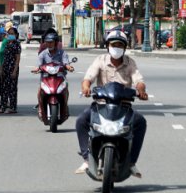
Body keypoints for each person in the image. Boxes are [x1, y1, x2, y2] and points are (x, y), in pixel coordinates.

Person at [75, 29, 147, 178]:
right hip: (101, 105)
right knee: (81, 120)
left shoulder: (130, 62)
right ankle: (87, 159)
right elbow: (89, 77)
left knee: (141, 122)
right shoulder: (100, 60)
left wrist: (141, 90)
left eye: (120, 45)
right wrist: (86, 87)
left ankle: (132, 162)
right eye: (114, 44)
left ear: (125, 48)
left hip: (124, 107)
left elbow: (139, 80)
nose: (117, 48)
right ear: (108, 46)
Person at [32, 31, 74, 122]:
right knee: (40, 90)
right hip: (46, 78)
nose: (49, 44)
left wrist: (69, 67)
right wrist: (36, 69)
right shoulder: (42, 54)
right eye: (47, 42)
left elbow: (66, 63)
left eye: (51, 42)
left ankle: (65, 106)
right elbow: (38, 65)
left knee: (65, 89)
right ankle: (40, 106)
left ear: (55, 42)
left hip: (59, 77)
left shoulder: (62, 53)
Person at [0, 26, 21, 113]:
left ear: (16, 35)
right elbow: (5, 57)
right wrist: (2, 68)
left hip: (12, 68)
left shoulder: (17, 44)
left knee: (12, 88)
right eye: (9, 33)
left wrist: (14, 71)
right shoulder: (7, 43)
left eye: (12, 34)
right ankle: (3, 106)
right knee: (4, 88)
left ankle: (12, 107)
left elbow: (17, 59)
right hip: (5, 68)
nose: (10, 35)